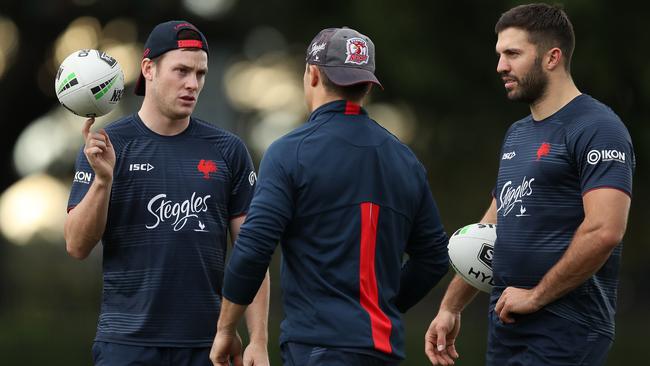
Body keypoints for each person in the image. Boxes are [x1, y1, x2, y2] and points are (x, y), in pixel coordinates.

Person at [209, 27, 450, 366]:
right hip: (383, 352)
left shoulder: (290, 152)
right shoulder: (405, 160)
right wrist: (385, 304)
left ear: (312, 74)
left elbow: (253, 248)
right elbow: (435, 257)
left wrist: (225, 328)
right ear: (367, 85)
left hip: (318, 348)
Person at [425, 4, 635, 366]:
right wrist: (451, 307)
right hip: (506, 322)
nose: (500, 66)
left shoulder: (598, 127)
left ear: (552, 57)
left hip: (568, 327)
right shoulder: (518, 133)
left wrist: (536, 296)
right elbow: (491, 228)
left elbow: (605, 230)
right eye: (499, 54)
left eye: (513, 54)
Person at [64, 20, 270, 366]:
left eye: (200, 74)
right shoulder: (107, 146)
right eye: (182, 71)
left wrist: (258, 341)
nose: (193, 84)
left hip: (207, 346)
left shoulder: (227, 150)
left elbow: (252, 252)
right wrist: (103, 181)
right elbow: (77, 246)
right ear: (149, 69)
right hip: (126, 345)